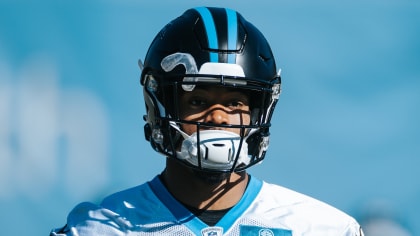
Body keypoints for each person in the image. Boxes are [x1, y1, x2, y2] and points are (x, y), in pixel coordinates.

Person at [51, 6, 364, 236]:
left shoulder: (322, 228)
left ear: (260, 112)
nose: (217, 116)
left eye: (235, 102)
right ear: (158, 106)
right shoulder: (99, 228)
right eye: (198, 101)